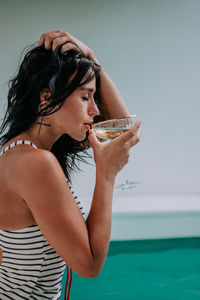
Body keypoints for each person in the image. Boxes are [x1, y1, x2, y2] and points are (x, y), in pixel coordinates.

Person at [0, 30, 141, 299]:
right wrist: (107, 174)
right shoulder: (35, 163)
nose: (95, 110)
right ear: (46, 98)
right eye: (85, 97)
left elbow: (122, 131)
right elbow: (89, 264)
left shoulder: (19, 151)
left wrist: (93, 61)